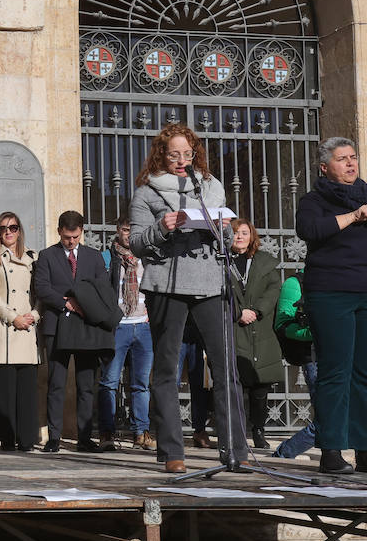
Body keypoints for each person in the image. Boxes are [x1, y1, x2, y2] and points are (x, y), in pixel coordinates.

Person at [129, 122, 248, 474]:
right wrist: (161, 228)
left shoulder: (210, 187)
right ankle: (171, 450)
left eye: (187, 153)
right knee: (167, 369)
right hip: (167, 282)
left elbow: (227, 239)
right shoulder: (146, 191)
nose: (181, 160)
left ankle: (235, 449)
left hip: (210, 282)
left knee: (226, 367)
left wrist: (224, 232)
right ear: (161, 156)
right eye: (174, 154)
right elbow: (136, 242)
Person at [294, 136, 367, 475]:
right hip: (330, 293)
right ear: (325, 167)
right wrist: (355, 216)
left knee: (365, 373)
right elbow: (309, 229)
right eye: (342, 159)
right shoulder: (315, 199)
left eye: (353, 157)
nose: (351, 164)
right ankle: (331, 451)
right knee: (335, 372)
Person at [34, 210, 115, 453]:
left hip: (86, 326)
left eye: (76, 237)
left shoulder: (94, 257)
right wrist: (66, 302)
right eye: (68, 237)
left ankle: (84, 437)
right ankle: (54, 437)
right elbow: (42, 288)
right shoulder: (47, 255)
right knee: (56, 382)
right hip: (58, 324)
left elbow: (103, 288)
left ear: (82, 233)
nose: (71, 242)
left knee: (86, 383)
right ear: (59, 231)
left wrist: (85, 305)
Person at [0, 211, 40, 452]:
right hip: (4, 327)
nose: (8, 232)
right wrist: (13, 317)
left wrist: (33, 316)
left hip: (28, 327)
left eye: (13, 227)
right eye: (3, 228)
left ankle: (27, 440)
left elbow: (41, 293)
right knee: (4, 391)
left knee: (27, 390)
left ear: (19, 230)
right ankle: (7, 440)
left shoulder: (33, 257)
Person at [99, 216, 156, 450]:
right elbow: (100, 291)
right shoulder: (107, 257)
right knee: (109, 382)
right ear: (118, 231)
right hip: (118, 326)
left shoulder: (149, 259)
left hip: (143, 326)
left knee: (141, 384)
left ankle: (140, 432)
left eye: (133, 231)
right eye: (125, 230)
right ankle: (107, 434)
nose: (128, 235)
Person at [228, 218, 283, 451]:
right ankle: (236, 432)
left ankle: (258, 430)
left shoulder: (265, 262)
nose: (240, 237)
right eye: (235, 233)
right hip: (235, 328)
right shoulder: (222, 262)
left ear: (252, 236)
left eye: (244, 232)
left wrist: (256, 311)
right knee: (236, 384)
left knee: (260, 385)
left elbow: (273, 290)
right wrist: (238, 313)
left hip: (261, 328)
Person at [273, 271, 318, 458]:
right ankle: (287, 451)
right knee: (329, 416)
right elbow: (282, 325)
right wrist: (314, 333)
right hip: (316, 358)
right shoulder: (295, 283)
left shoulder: (345, 277)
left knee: (344, 413)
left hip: (346, 356)